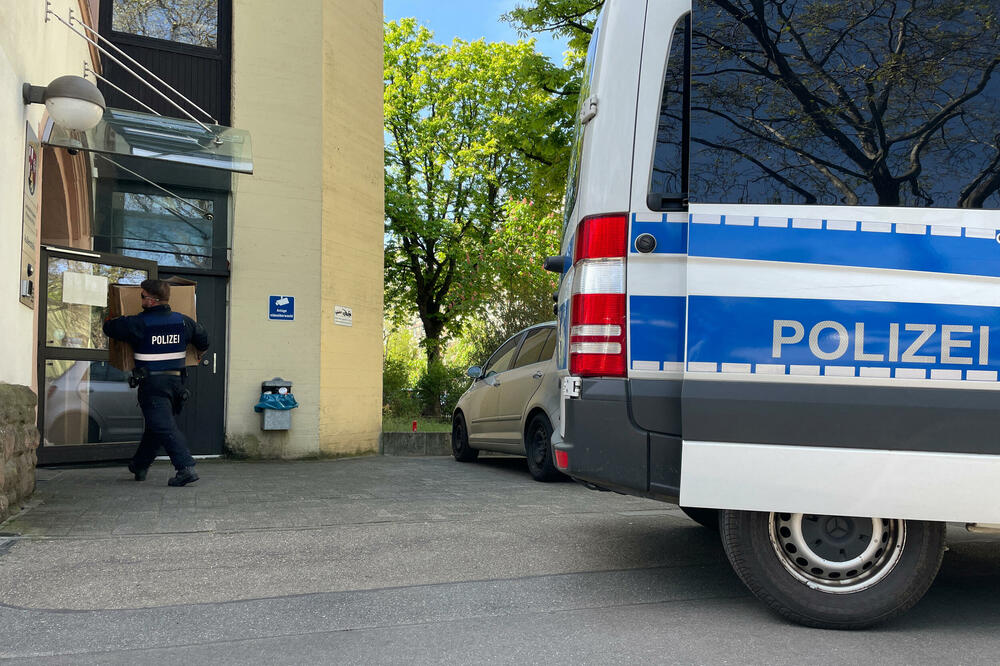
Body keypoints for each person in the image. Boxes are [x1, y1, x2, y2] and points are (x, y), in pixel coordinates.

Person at [103, 279, 209, 486]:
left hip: (153, 384)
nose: (140, 299)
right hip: (177, 384)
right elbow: (203, 340)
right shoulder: (183, 322)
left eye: (142, 296)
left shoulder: (139, 323)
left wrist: (112, 311)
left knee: (163, 426)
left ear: (151, 300)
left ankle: (185, 468)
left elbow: (110, 328)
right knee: (157, 426)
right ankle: (140, 465)